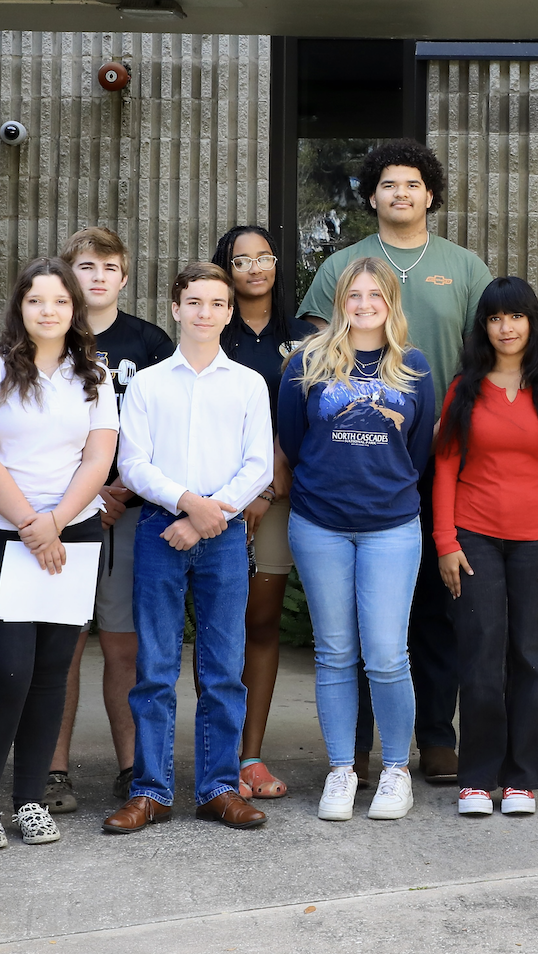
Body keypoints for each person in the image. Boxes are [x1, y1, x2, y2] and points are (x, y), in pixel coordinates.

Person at [297, 140, 491, 783]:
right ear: (372, 195)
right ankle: (351, 749)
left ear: (430, 194)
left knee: (436, 600)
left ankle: (433, 738)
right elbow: (312, 362)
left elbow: (488, 351)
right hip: (357, 459)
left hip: (443, 454)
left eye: (412, 184)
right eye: (388, 184)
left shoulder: (463, 266)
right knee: (353, 623)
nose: (400, 193)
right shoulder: (342, 265)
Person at [0, 258, 118, 851]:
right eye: (36, 300)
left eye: (60, 301)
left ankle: (29, 802)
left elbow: (99, 458)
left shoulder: (93, 373)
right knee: (6, 672)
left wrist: (55, 523)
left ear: (75, 309)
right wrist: (30, 524)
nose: (49, 311)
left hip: (73, 535)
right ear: (19, 307)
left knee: (51, 674)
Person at [105, 263, 274, 834]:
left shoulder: (248, 384)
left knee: (223, 668)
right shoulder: (149, 384)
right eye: (194, 302)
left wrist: (206, 517)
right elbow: (134, 463)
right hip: (160, 529)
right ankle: (150, 791)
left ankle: (219, 788)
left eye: (217, 303)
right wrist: (185, 504)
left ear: (229, 312)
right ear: (176, 308)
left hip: (222, 535)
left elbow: (259, 465)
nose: (206, 312)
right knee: (154, 668)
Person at [280, 258, 436, 822]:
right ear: (339, 301)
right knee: (335, 652)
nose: (364, 304)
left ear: (391, 303)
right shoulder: (305, 363)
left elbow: (418, 451)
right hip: (320, 522)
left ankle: (396, 770)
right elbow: (293, 442)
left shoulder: (413, 367)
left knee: (388, 655)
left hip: (391, 525)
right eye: (354, 294)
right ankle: (342, 769)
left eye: (376, 295)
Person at [435, 277, 538, 817]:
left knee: (529, 657)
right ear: (484, 326)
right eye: (495, 318)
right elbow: (445, 465)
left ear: (532, 322)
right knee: (480, 657)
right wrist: (445, 541)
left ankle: (521, 779)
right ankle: (476, 778)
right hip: (473, 536)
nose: (506, 327)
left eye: (516, 316)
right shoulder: (465, 387)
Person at [44, 227, 176, 814]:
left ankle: (131, 768)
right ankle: (52, 769)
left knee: (125, 648)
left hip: (130, 511)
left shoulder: (150, 342)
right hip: (63, 513)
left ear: (124, 276)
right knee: (63, 646)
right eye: (86, 267)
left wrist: (119, 487)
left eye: (109, 268)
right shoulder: (49, 335)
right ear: (68, 274)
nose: (97, 277)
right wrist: (85, 494)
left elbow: (169, 425)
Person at [211, 224, 321, 801]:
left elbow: (314, 418)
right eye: (241, 259)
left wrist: (269, 487)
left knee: (260, 621)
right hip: (214, 501)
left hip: (277, 499)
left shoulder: (307, 337)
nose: (254, 268)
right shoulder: (210, 327)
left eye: (264, 257)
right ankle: (218, 754)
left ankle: (249, 756)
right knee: (219, 626)